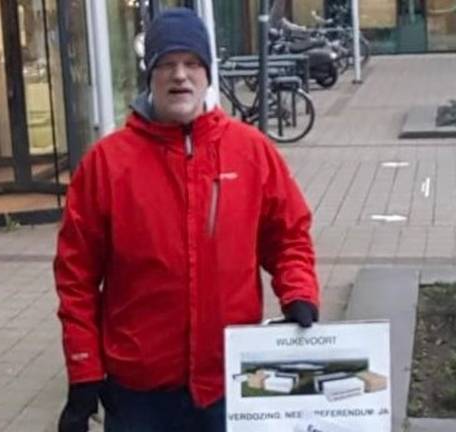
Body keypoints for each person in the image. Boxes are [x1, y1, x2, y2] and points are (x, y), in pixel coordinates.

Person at [54, 8, 319, 432]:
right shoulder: (107, 164)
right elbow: (76, 277)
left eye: (192, 63)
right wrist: (84, 369)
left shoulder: (250, 151)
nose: (180, 76)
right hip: (140, 392)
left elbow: (289, 236)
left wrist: (298, 291)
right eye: (167, 64)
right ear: (150, 76)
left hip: (231, 383)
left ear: (207, 75)